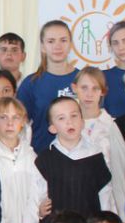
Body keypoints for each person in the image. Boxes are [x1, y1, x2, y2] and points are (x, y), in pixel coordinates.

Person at [35, 97, 113, 223]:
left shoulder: (96, 156)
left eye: (74, 116)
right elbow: (38, 194)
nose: (69, 122)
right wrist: (40, 211)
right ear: (52, 128)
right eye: (61, 118)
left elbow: (105, 196)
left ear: (82, 122)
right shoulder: (44, 159)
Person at [0, 98, 47, 223]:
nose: (10, 123)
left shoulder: (31, 156)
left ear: (23, 122)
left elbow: (35, 197)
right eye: (3, 117)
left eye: (16, 117)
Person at [73, 68, 125, 220]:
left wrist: (123, 215)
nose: (89, 94)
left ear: (103, 92)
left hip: (106, 202)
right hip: (75, 200)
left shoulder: (112, 126)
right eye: (84, 88)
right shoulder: (68, 124)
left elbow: (120, 172)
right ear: (74, 88)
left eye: (95, 88)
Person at [16, 20, 79, 153]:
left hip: (79, 155)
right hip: (41, 154)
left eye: (63, 40)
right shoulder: (31, 83)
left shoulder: (82, 80)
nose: (57, 46)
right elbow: (20, 124)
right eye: (51, 41)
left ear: (70, 45)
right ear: (43, 47)